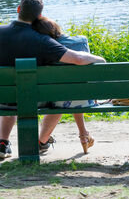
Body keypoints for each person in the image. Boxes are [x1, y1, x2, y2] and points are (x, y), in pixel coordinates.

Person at [0, 0, 105, 158]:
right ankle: (41, 142)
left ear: (19, 9)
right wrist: (100, 59)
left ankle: (3, 144)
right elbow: (78, 58)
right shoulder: (41, 40)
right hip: (31, 100)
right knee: (58, 93)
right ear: (39, 16)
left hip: (0, 99)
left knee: (14, 91)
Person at [32, 16, 96, 154]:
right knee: (74, 89)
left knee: (63, 95)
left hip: (60, 98)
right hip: (86, 97)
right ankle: (84, 135)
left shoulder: (47, 47)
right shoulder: (82, 40)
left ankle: (41, 142)